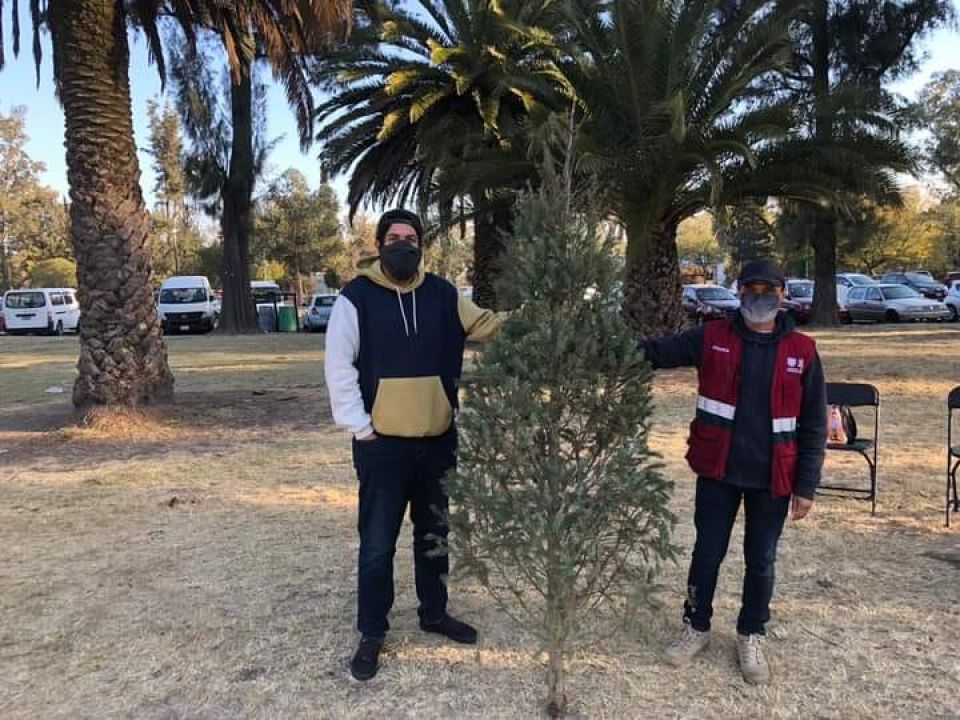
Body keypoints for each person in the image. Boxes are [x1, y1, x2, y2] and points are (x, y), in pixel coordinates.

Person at [324, 208, 506, 681]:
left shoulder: (445, 294)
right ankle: (372, 631)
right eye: (393, 237)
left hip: (437, 441)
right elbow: (339, 366)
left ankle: (434, 613)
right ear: (379, 243)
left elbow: (488, 326)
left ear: (421, 244)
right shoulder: (355, 298)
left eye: (411, 237)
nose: (402, 244)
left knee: (434, 537)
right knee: (378, 544)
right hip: (382, 446)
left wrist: (543, 311)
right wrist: (361, 426)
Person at [640, 259, 827, 685]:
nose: (759, 296)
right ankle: (696, 626)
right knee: (707, 553)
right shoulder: (712, 338)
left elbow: (814, 424)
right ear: (739, 290)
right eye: (752, 288)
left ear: (783, 295)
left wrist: (806, 486)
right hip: (718, 471)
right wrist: (595, 347)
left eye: (769, 289)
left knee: (760, 561)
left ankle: (751, 633)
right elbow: (653, 353)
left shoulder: (804, 351)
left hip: (773, 479)